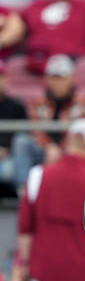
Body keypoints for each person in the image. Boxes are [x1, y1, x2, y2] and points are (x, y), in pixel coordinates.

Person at [7, 119, 85, 281]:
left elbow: (25, 230)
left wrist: (20, 268)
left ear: (68, 141)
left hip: (44, 273)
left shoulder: (38, 175)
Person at [11, 55, 85, 189]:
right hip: (44, 151)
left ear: (71, 78)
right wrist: (49, 147)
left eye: (61, 77)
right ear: (47, 79)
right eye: (53, 77)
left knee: (81, 146)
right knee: (22, 141)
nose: (57, 82)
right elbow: (35, 130)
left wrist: (62, 149)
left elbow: (83, 132)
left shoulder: (84, 103)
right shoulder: (37, 103)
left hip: (72, 151)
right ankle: (24, 192)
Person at [0, 61, 27, 192]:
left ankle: (23, 199)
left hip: (9, 157)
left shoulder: (16, 106)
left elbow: (23, 137)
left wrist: (7, 151)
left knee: (8, 170)